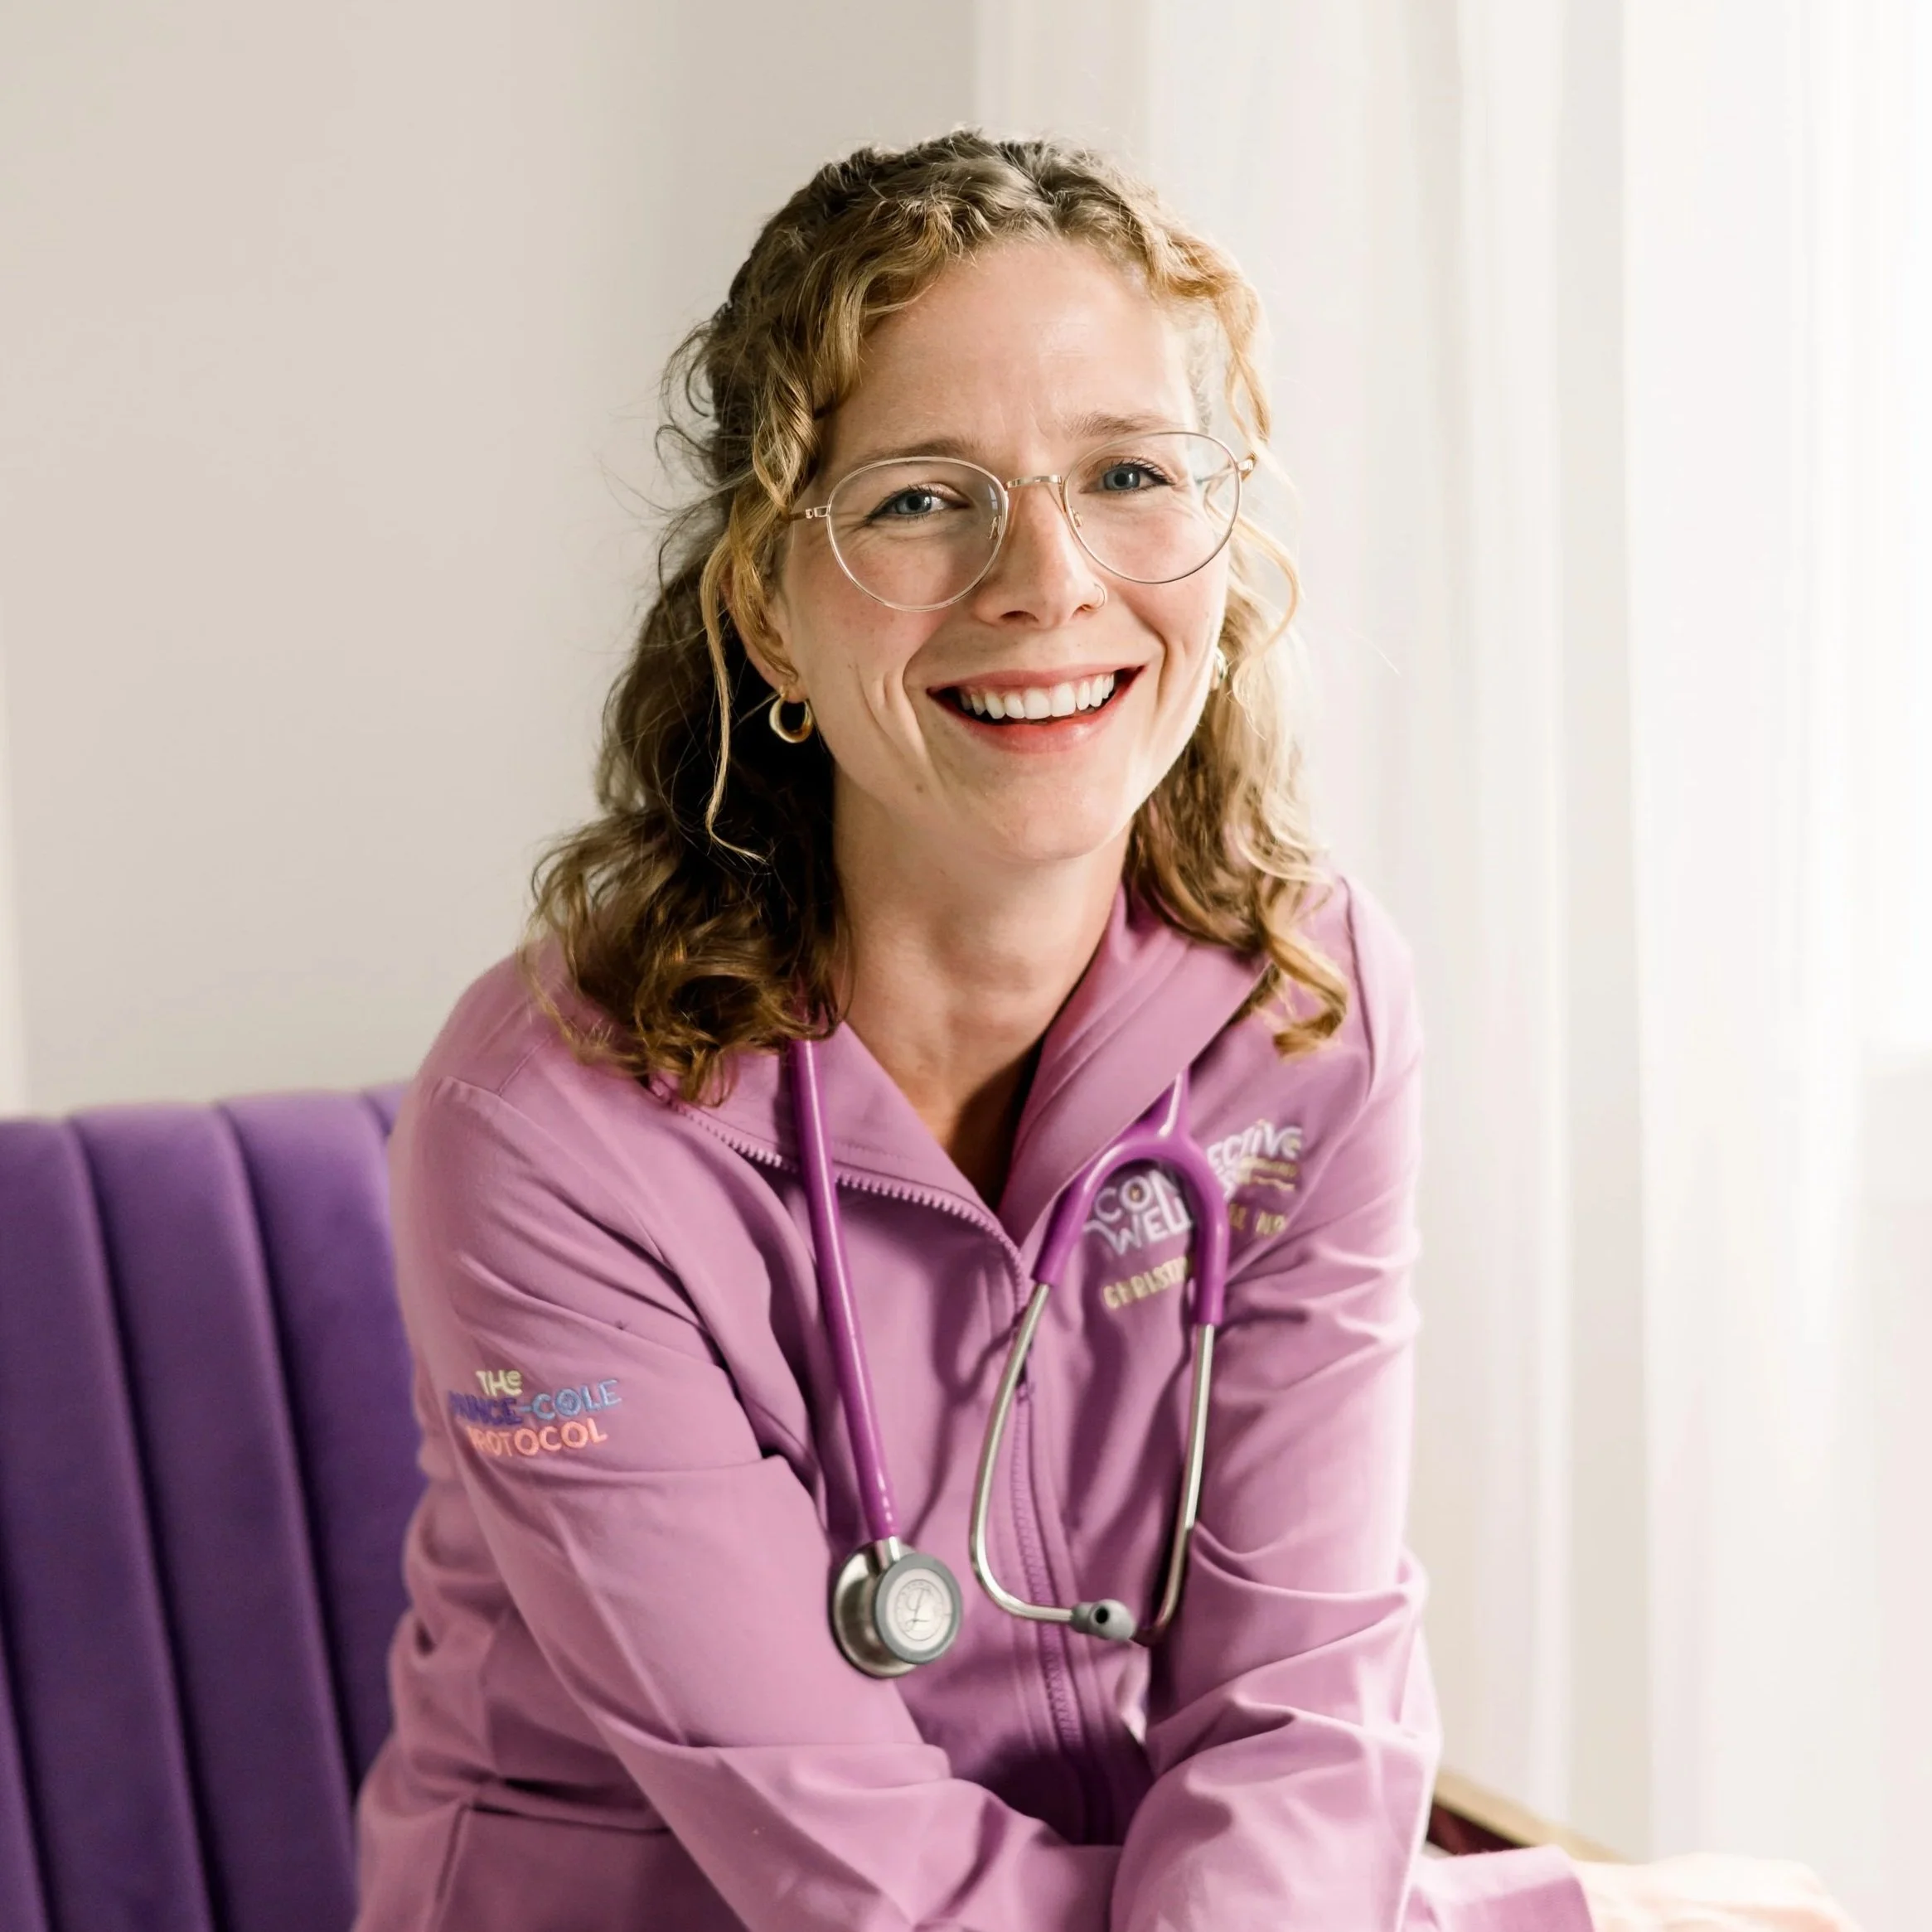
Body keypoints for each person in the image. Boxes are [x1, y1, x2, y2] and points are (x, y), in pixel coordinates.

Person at [352, 131, 1861, 1932]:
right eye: (922, 495)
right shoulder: (550, 1129)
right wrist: (1537, 1917)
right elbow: (849, 1872)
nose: (1047, 580)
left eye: (1130, 472)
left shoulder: (1303, 1011)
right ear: (764, 601)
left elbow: (1298, 1694)